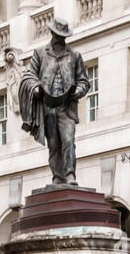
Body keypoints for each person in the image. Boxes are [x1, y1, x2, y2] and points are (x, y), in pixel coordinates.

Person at [18, 17, 90, 187]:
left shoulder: (74, 56)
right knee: (53, 144)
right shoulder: (40, 53)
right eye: (58, 35)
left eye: (63, 36)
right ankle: (57, 176)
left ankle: (70, 174)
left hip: (67, 107)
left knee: (68, 140)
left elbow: (84, 82)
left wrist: (77, 92)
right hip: (48, 107)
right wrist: (35, 88)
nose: (60, 39)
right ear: (52, 33)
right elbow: (29, 76)